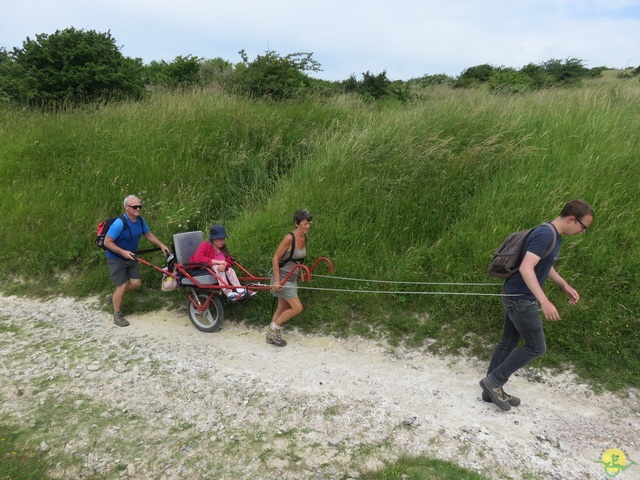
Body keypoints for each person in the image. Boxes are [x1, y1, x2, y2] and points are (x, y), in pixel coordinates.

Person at [480, 199, 594, 411]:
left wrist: (563, 284)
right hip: (521, 298)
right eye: (583, 227)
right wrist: (545, 301)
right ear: (572, 219)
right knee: (536, 347)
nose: (582, 231)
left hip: (515, 294)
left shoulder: (552, 235)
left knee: (508, 341)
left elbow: (544, 264)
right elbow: (526, 268)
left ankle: (490, 389)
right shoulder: (546, 234)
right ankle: (494, 382)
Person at [104, 195, 171, 327]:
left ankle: (115, 297)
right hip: (117, 258)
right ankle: (117, 314)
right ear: (126, 207)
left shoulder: (140, 220)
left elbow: (148, 234)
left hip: (131, 256)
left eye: (139, 206)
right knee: (121, 285)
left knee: (136, 283)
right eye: (135, 207)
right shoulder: (119, 223)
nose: (138, 209)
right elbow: (107, 242)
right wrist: (123, 252)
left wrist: (161, 245)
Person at [266, 209, 313, 347]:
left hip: (292, 277)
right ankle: (274, 329)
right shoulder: (289, 238)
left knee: (282, 307)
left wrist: (300, 271)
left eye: (309, 223)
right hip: (282, 278)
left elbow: (297, 259)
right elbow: (275, 258)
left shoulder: (304, 237)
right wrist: (277, 280)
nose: (308, 226)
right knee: (297, 308)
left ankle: (270, 336)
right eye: (305, 223)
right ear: (296, 224)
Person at [188, 224, 255, 301]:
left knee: (230, 270)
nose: (222, 241)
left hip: (216, 269)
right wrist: (218, 262)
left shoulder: (222, 248)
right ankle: (229, 293)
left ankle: (239, 289)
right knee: (218, 267)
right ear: (213, 239)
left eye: (223, 238)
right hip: (200, 268)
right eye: (219, 239)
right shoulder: (205, 245)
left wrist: (225, 264)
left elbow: (228, 260)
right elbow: (198, 258)